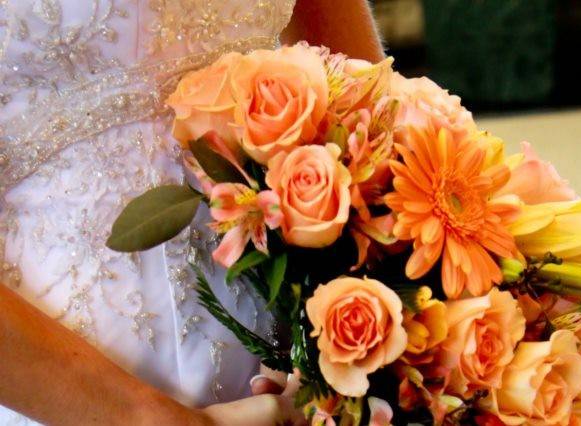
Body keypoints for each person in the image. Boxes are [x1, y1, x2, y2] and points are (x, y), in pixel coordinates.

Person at [0, 0, 384, 424]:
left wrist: (361, 335)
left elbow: (366, 108)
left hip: (301, 380)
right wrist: (144, 417)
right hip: (63, 395)